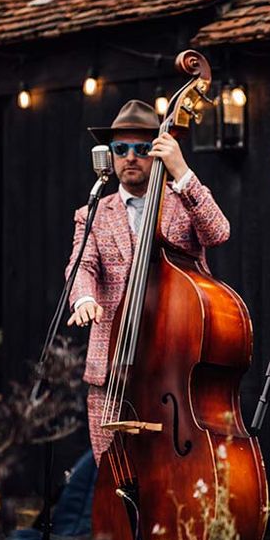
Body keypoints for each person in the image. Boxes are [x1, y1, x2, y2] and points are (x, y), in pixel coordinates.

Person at [66, 99, 230, 464]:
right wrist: (83, 299)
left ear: (156, 152)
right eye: (120, 149)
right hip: (112, 373)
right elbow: (82, 265)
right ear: (110, 155)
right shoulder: (92, 212)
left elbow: (219, 232)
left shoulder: (182, 201)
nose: (130, 157)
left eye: (142, 148)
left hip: (172, 370)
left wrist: (182, 171)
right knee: (113, 474)